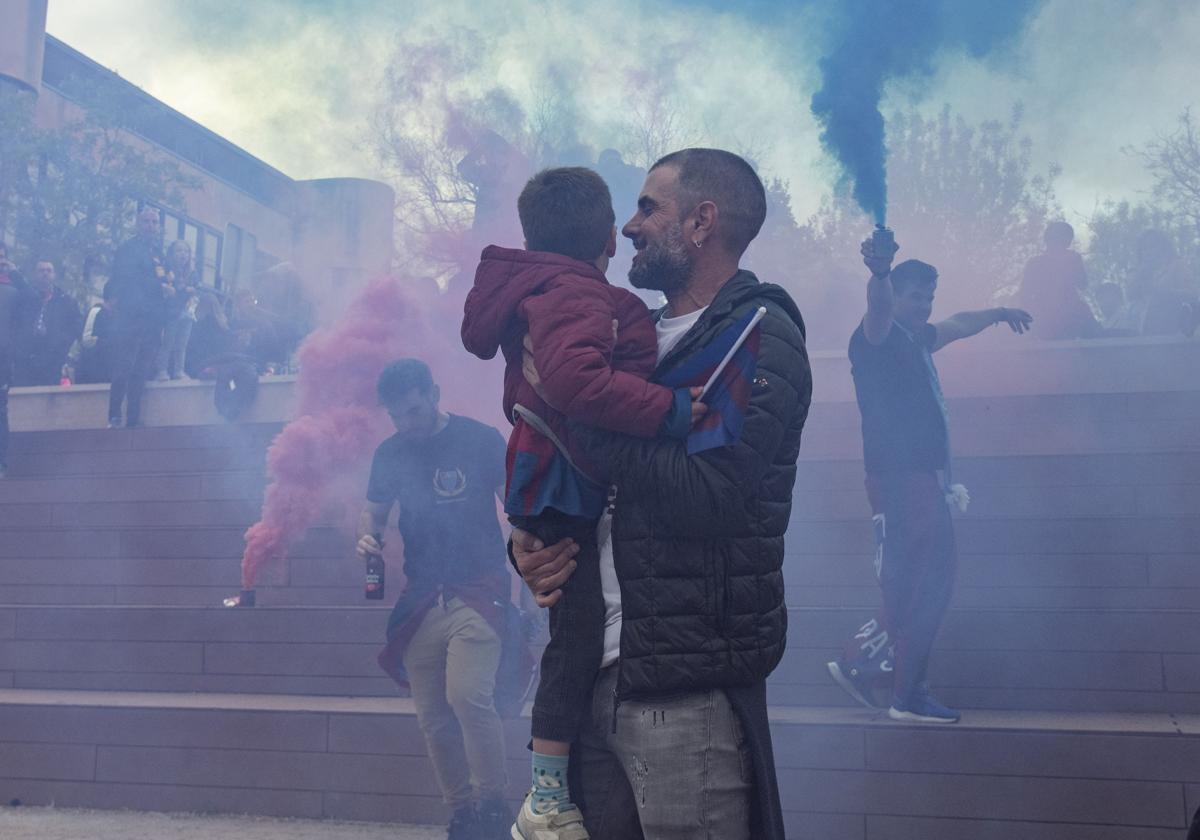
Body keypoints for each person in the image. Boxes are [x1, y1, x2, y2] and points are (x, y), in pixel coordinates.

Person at [511, 148, 812, 840]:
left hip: (684, 695)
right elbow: (577, 474)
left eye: (649, 207)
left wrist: (580, 410)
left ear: (702, 221)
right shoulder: (624, 338)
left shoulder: (756, 336)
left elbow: (711, 497)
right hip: (592, 682)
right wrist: (530, 544)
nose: (631, 225)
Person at [461, 166, 705, 840]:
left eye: (649, 210)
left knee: (572, 634)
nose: (630, 230)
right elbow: (575, 382)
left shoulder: (550, 290)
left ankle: (546, 793)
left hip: (554, 484)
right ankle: (543, 799)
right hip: (562, 485)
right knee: (573, 640)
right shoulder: (576, 293)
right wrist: (672, 410)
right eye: (624, 220)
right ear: (604, 237)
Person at [826, 243, 1034, 724]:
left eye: (928, 298)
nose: (924, 306)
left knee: (908, 583)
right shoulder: (875, 337)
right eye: (915, 297)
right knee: (933, 581)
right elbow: (877, 307)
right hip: (902, 481)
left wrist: (1000, 311)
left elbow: (960, 323)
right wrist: (879, 273)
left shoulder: (916, 338)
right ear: (895, 297)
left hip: (912, 480)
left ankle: (858, 663)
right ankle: (908, 695)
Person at [357, 360, 514, 840]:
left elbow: (518, 508)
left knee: (468, 695)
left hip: (479, 588)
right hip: (422, 595)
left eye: (414, 411)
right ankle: (462, 812)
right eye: (398, 417)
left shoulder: (482, 439)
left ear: (434, 394)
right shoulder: (389, 453)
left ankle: (494, 806)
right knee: (432, 715)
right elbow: (373, 514)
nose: (408, 425)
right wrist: (368, 539)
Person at [106, 208, 167, 428]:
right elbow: (126, 280)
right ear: (137, 224)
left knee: (142, 370)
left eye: (154, 222)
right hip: (131, 318)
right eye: (146, 221)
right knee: (124, 367)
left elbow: (161, 282)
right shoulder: (127, 249)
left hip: (152, 321)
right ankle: (114, 415)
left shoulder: (158, 253)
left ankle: (133, 418)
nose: (150, 226)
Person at [1019, 222, 1099, 339]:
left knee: (1093, 333)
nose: (1064, 241)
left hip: (1070, 313)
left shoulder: (1073, 258)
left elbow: (1082, 284)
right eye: (1059, 237)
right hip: (1043, 315)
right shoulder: (1035, 263)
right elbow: (1025, 293)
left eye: (1066, 238)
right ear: (1048, 238)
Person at [14, 260, 83, 386]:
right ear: (34, 274)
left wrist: (61, 344)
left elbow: (76, 327)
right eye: (41, 270)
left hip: (53, 360)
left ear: (54, 275)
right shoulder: (24, 299)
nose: (45, 273)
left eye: (49, 270)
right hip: (26, 360)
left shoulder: (66, 301)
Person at [0, 243, 31, 478]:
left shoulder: (12, 290)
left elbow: (33, 301)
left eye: (2, 258)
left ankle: (1, 463)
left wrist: (16, 273)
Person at [155, 239, 198, 381]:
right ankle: (162, 370)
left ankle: (179, 370)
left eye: (186, 251)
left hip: (187, 312)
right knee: (168, 342)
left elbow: (196, 289)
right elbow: (172, 289)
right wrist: (185, 290)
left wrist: (183, 290)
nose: (183, 254)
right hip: (172, 312)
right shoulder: (167, 269)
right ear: (172, 253)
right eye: (179, 251)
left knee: (182, 343)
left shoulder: (192, 272)